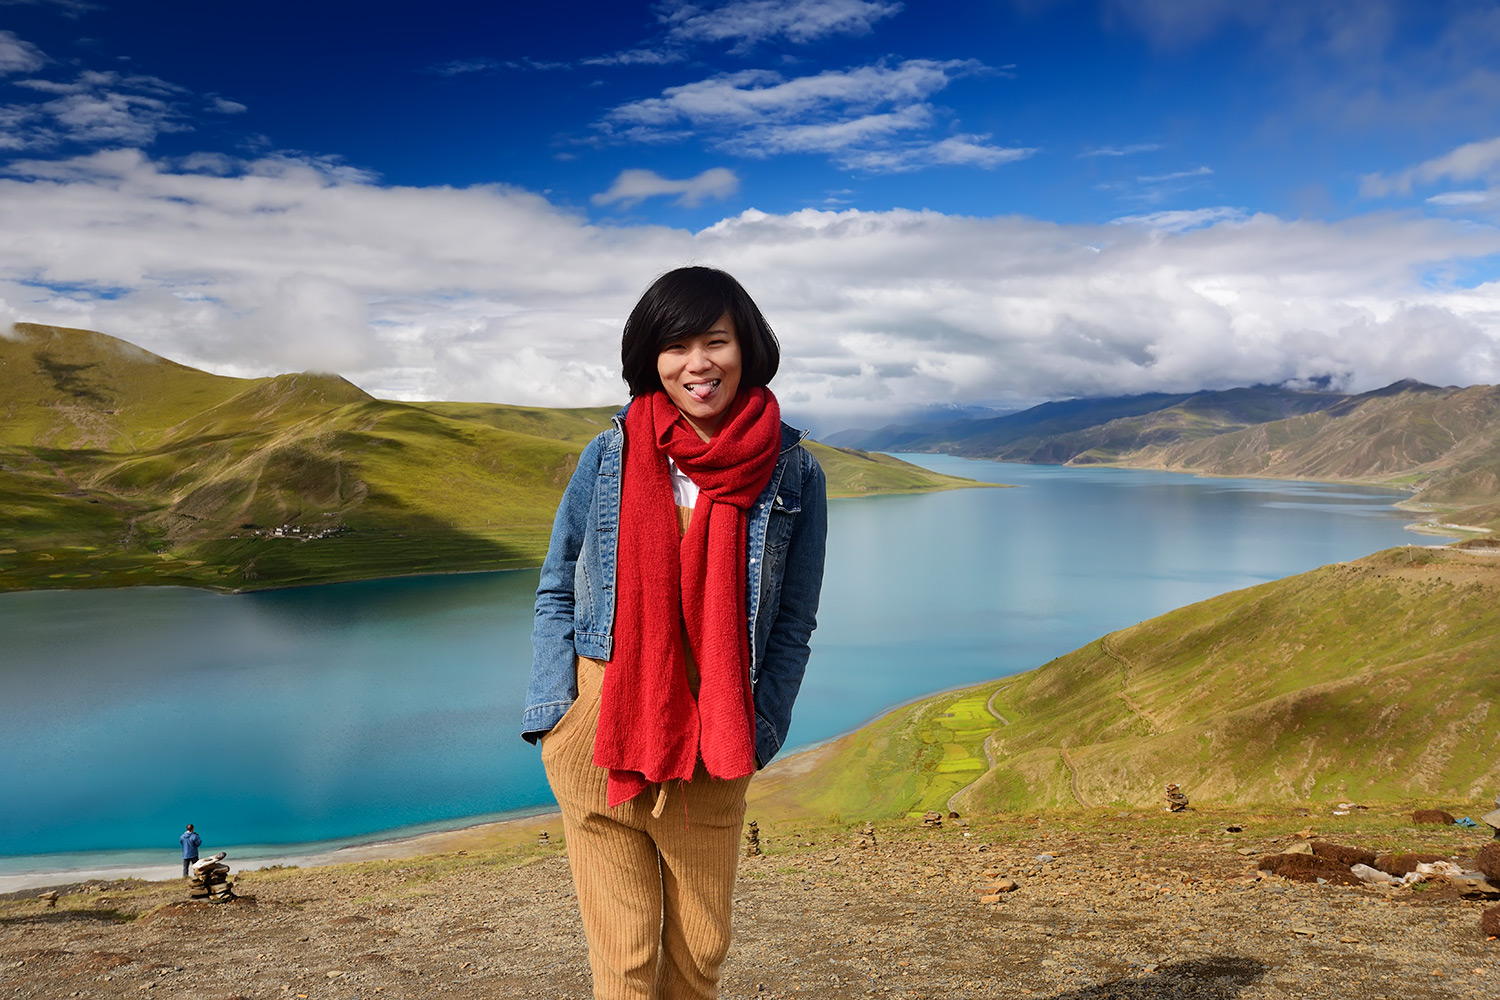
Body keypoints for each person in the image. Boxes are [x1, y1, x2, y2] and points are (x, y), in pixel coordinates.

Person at [523, 266, 827, 999]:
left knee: (701, 954)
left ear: (746, 347)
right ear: (650, 359)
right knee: (623, 962)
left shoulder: (793, 472)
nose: (698, 364)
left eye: (715, 341)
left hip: (713, 741)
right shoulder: (611, 454)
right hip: (601, 729)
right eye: (676, 345)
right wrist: (553, 717)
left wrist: (762, 731)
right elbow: (558, 586)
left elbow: (792, 624)